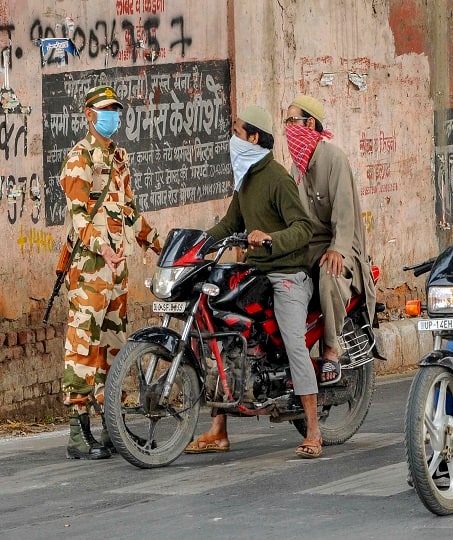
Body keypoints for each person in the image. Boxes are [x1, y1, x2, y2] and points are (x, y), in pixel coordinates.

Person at [184, 106, 323, 459]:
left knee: (294, 340)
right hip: (255, 272)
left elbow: (304, 228)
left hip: (288, 273)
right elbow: (230, 223)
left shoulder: (277, 179)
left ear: (254, 138)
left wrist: (271, 240)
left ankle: (313, 429)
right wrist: (196, 245)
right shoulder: (245, 178)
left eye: (237, 131)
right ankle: (218, 429)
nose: (232, 137)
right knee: (218, 330)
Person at [60, 84, 162, 459]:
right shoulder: (78, 159)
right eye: (106, 110)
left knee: (114, 348)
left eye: (116, 110)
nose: (113, 116)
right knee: (83, 346)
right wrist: (103, 248)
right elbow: (79, 217)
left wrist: (158, 245)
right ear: (89, 115)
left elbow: (129, 211)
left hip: (117, 271)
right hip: (90, 270)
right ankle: (77, 430)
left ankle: (110, 426)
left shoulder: (119, 158)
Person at [284, 95, 377, 385]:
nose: (287, 128)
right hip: (308, 246)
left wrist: (337, 248)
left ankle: (332, 348)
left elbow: (346, 213)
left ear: (310, 123)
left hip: (342, 243)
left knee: (330, 274)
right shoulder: (296, 168)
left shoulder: (334, 158)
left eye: (292, 121)